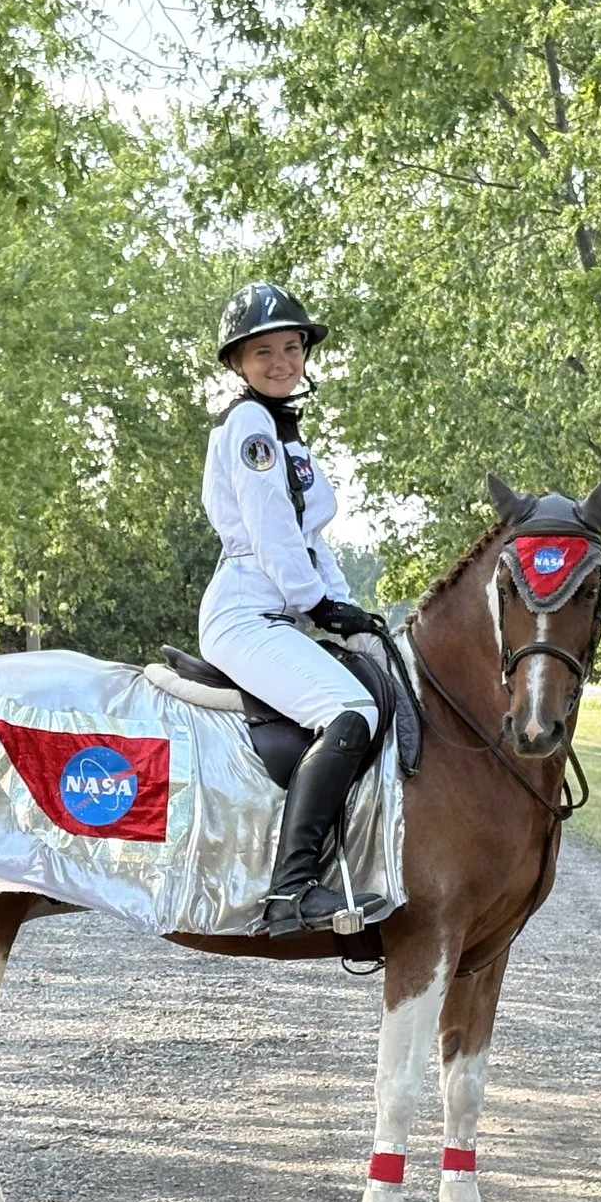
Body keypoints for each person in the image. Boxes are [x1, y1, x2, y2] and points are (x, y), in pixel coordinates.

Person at [200, 281, 387, 936]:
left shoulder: (290, 437)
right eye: (262, 353)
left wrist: (350, 609)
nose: (280, 362)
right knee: (350, 709)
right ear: (237, 364)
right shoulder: (251, 425)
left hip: (279, 608)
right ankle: (292, 890)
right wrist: (318, 603)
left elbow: (311, 538)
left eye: (291, 347)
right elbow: (271, 524)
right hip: (246, 607)